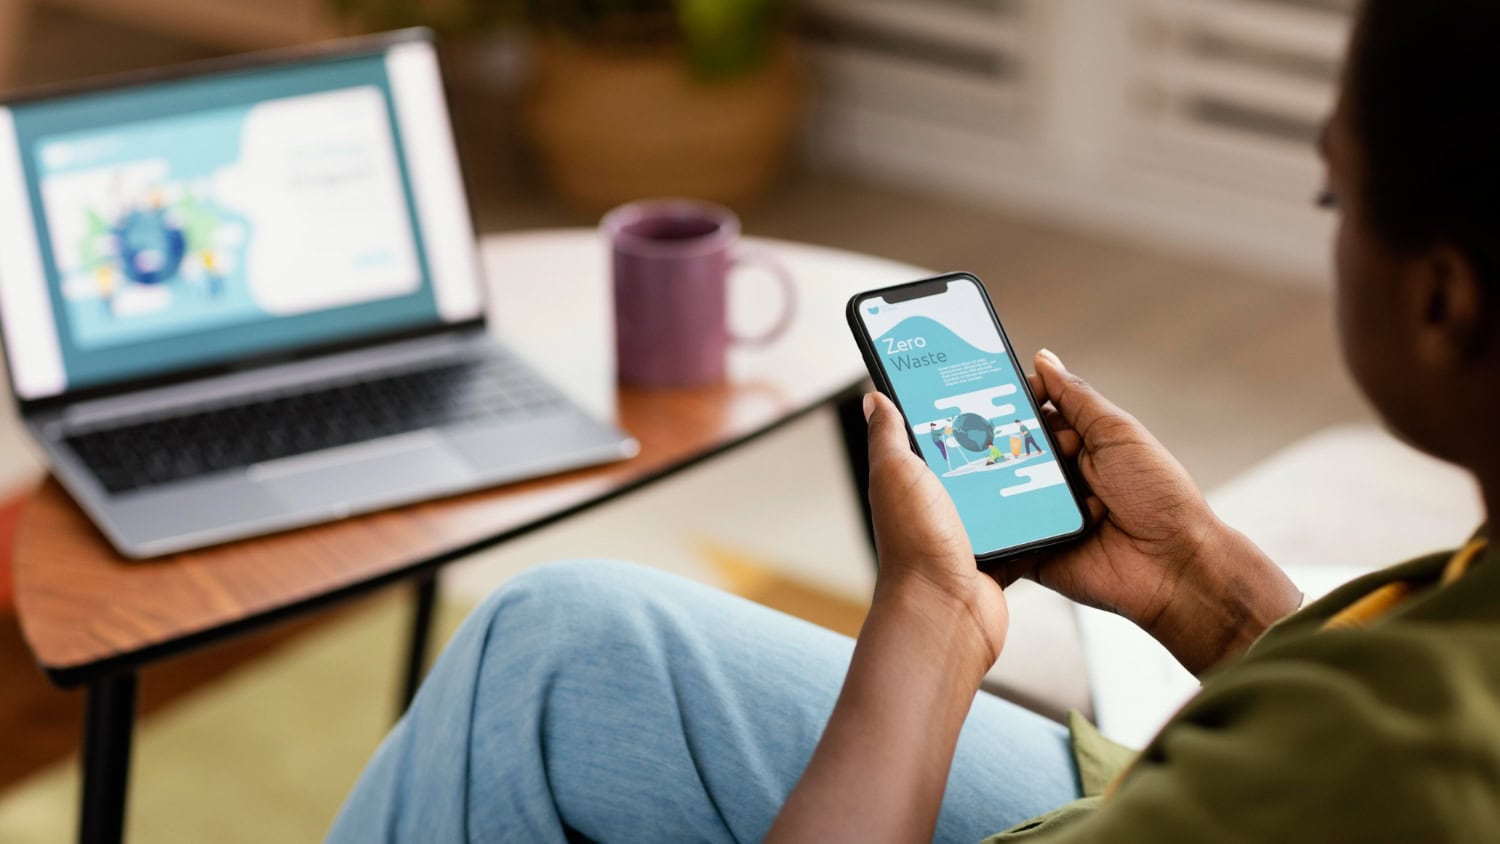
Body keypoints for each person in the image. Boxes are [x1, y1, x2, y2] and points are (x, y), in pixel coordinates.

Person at [330, 1, 1500, 840]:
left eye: (1333, 194)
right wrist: (1199, 584)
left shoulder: (1377, 753)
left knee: (539, 661)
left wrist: (934, 612)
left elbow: (1343, 765)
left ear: (1442, 300)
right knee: (562, 638)